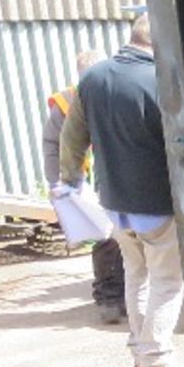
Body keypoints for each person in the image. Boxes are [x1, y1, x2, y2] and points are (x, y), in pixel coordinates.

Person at [59, 15, 184, 367]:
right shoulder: (161, 82)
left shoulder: (93, 78)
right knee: (166, 281)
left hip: (114, 202)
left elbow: (71, 137)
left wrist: (71, 180)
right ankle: (156, 360)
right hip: (157, 202)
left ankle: (138, 351)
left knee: (137, 275)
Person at [42, 50, 122, 323]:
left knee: (125, 238)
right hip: (88, 181)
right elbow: (53, 145)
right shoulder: (67, 103)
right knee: (105, 236)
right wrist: (60, 186)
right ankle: (110, 298)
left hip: (115, 174)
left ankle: (120, 297)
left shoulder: (117, 92)